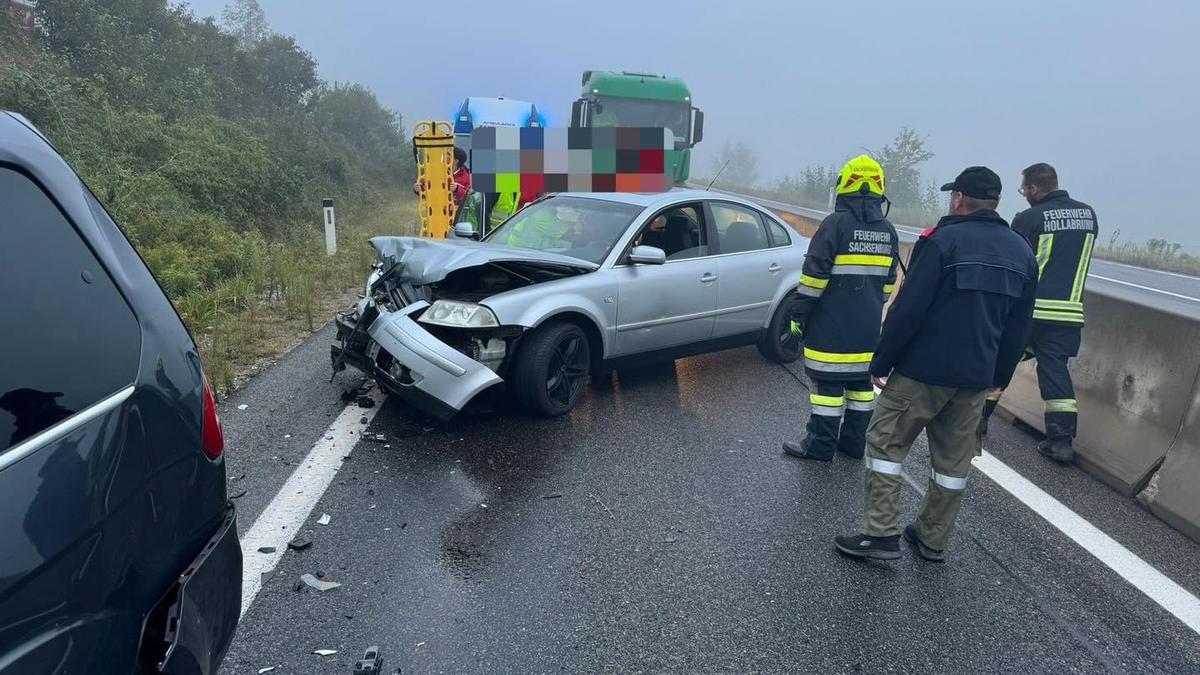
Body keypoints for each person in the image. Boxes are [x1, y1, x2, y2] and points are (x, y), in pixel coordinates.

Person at [834, 166, 1037, 562]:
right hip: (975, 377)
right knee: (952, 465)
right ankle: (932, 539)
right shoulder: (1022, 252)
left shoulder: (943, 242)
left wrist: (883, 359)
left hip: (922, 372)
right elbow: (1019, 327)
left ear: (959, 198)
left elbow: (909, 309)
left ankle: (880, 534)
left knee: (885, 445)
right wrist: (998, 378)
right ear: (995, 202)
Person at [782, 155, 899, 462]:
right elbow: (889, 282)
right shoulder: (887, 230)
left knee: (827, 388)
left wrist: (798, 316)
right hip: (867, 327)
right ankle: (852, 443)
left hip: (830, 327)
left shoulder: (835, 225)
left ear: (844, 187)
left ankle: (819, 446)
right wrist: (871, 305)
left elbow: (813, 278)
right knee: (861, 387)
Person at [979, 163, 1098, 463]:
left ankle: (977, 421)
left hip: (1030, 310)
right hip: (1068, 313)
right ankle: (1060, 442)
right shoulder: (1088, 216)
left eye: (1024, 190)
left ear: (1033, 189)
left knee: (1000, 362)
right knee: (1055, 372)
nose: (1025, 196)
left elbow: (1012, 259)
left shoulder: (1029, 218)